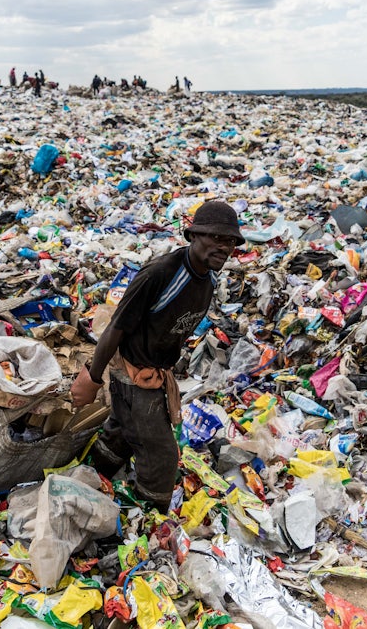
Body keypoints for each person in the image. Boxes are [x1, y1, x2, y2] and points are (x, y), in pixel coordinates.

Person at [70, 201, 244, 511]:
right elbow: (116, 328)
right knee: (162, 456)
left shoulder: (207, 281)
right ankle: (150, 518)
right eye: (216, 238)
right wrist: (92, 378)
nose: (224, 247)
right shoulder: (161, 274)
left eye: (229, 241)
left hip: (156, 374)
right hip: (132, 374)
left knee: (124, 431)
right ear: (194, 236)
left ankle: (93, 475)